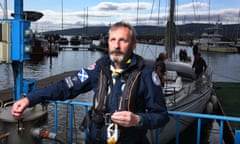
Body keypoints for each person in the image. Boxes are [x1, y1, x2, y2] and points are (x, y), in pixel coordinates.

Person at [11, 21, 169, 144]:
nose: (117, 45)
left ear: (134, 45)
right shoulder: (96, 70)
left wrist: (138, 120)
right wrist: (29, 99)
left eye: (123, 40)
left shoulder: (147, 76)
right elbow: (65, 86)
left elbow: (161, 116)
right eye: (113, 40)